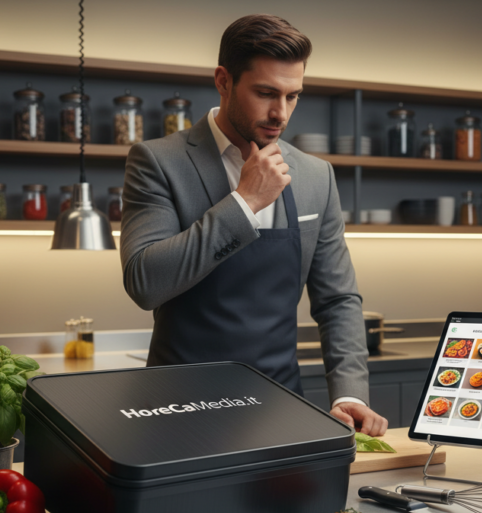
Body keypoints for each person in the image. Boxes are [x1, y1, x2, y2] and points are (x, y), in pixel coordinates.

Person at [119, 14, 387, 436]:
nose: (280, 113)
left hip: (281, 409)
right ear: (224, 81)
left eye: (293, 96)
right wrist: (245, 203)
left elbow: (337, 300)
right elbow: (145, 281)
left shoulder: (316, 176)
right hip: (178, 413)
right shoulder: (158, 162)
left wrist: (350, 394)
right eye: (265, 93)